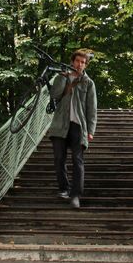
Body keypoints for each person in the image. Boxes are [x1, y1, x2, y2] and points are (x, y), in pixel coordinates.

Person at [49, 49, 97, 208]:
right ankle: (64, 189)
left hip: (79, 126)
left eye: (83, 62)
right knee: (58, 158)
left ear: (86, 65)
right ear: (72, 62)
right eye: (77, 61)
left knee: (78, 161)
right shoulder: (60, 77)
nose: (80, 64)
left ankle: (76, 195)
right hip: (59, 125)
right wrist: (63, 78)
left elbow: (92, 109)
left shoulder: (88, 83)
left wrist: (91, 130)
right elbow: (54, 95)